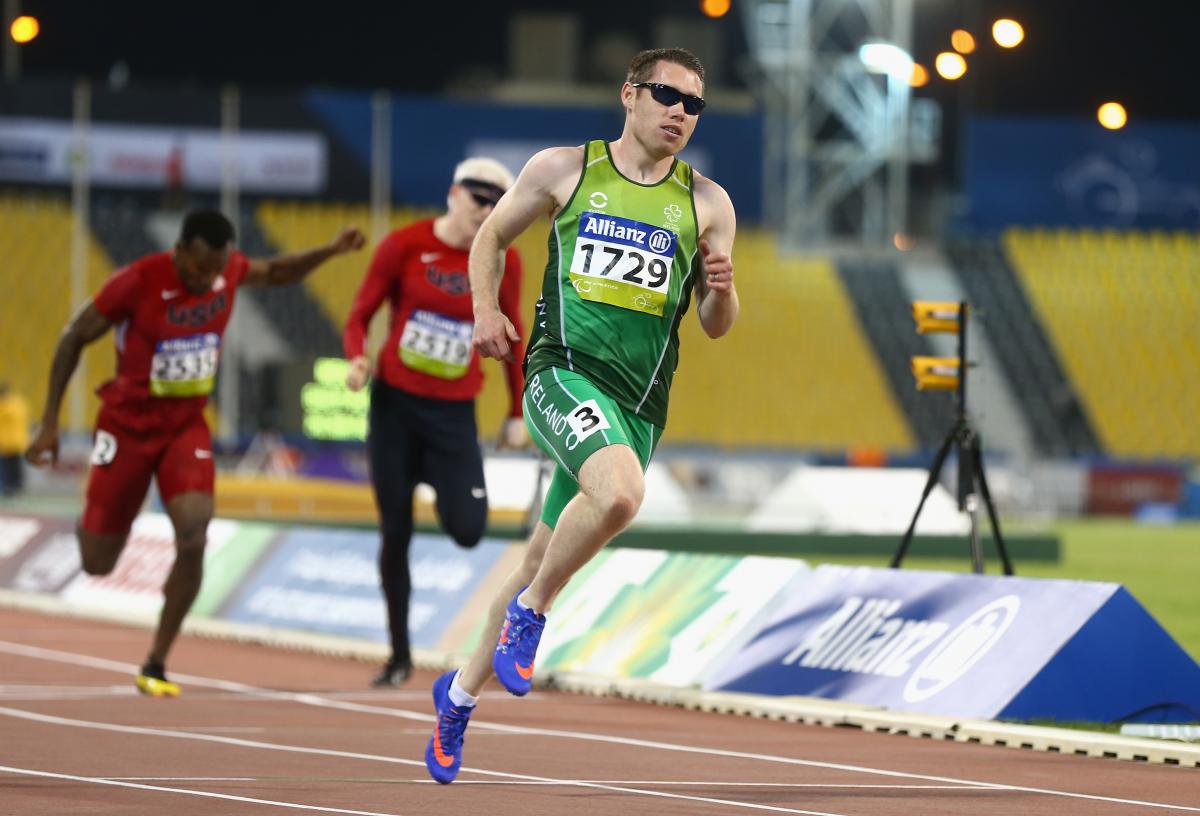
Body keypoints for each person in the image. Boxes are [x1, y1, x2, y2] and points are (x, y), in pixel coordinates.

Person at [423, 47, 738, 783]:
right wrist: (482, 312)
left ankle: (458, 699)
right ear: (630, 94)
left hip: (640, 407)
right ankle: (533, 612)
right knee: (622, 495)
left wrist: (721, 289)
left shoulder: (707, 203)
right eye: (667, 95)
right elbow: (490, 237)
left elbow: (719, 323)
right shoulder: (565, 170)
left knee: (541, 550)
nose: (680, 113)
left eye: (694, 104)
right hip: (559, 373)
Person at [24, 209, 366, 697]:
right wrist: (52, 420)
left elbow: (279, 272)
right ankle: (93, 519)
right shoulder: (138, 281)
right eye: (197, 270)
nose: (206, 280)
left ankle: (157, 660)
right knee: (97, 560)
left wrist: (329, 250)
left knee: (194, 532)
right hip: (126, 426)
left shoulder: (227, 270)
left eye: (214, 271)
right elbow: (72, 336)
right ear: (180, 251)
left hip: (184, 426)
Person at [343, 157, 527, 688]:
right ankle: (399, 656)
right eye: (478, 198)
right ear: (453, 193)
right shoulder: (403, 246)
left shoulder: (503, 261)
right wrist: (357, 357)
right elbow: (359, 314)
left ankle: (437, 481)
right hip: (396, 408)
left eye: (498, 202)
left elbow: (511, 337)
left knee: (469, 529)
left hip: (453, 416)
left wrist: (516, 413)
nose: (487, 210)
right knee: (394, 530)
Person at [0, 382, 30, 496]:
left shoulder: (4, 405)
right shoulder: (20, 403)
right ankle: (17, 486)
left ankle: (10, 488)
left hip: (7, 441)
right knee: (16, 465)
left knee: (8, 466)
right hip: (19, 439)